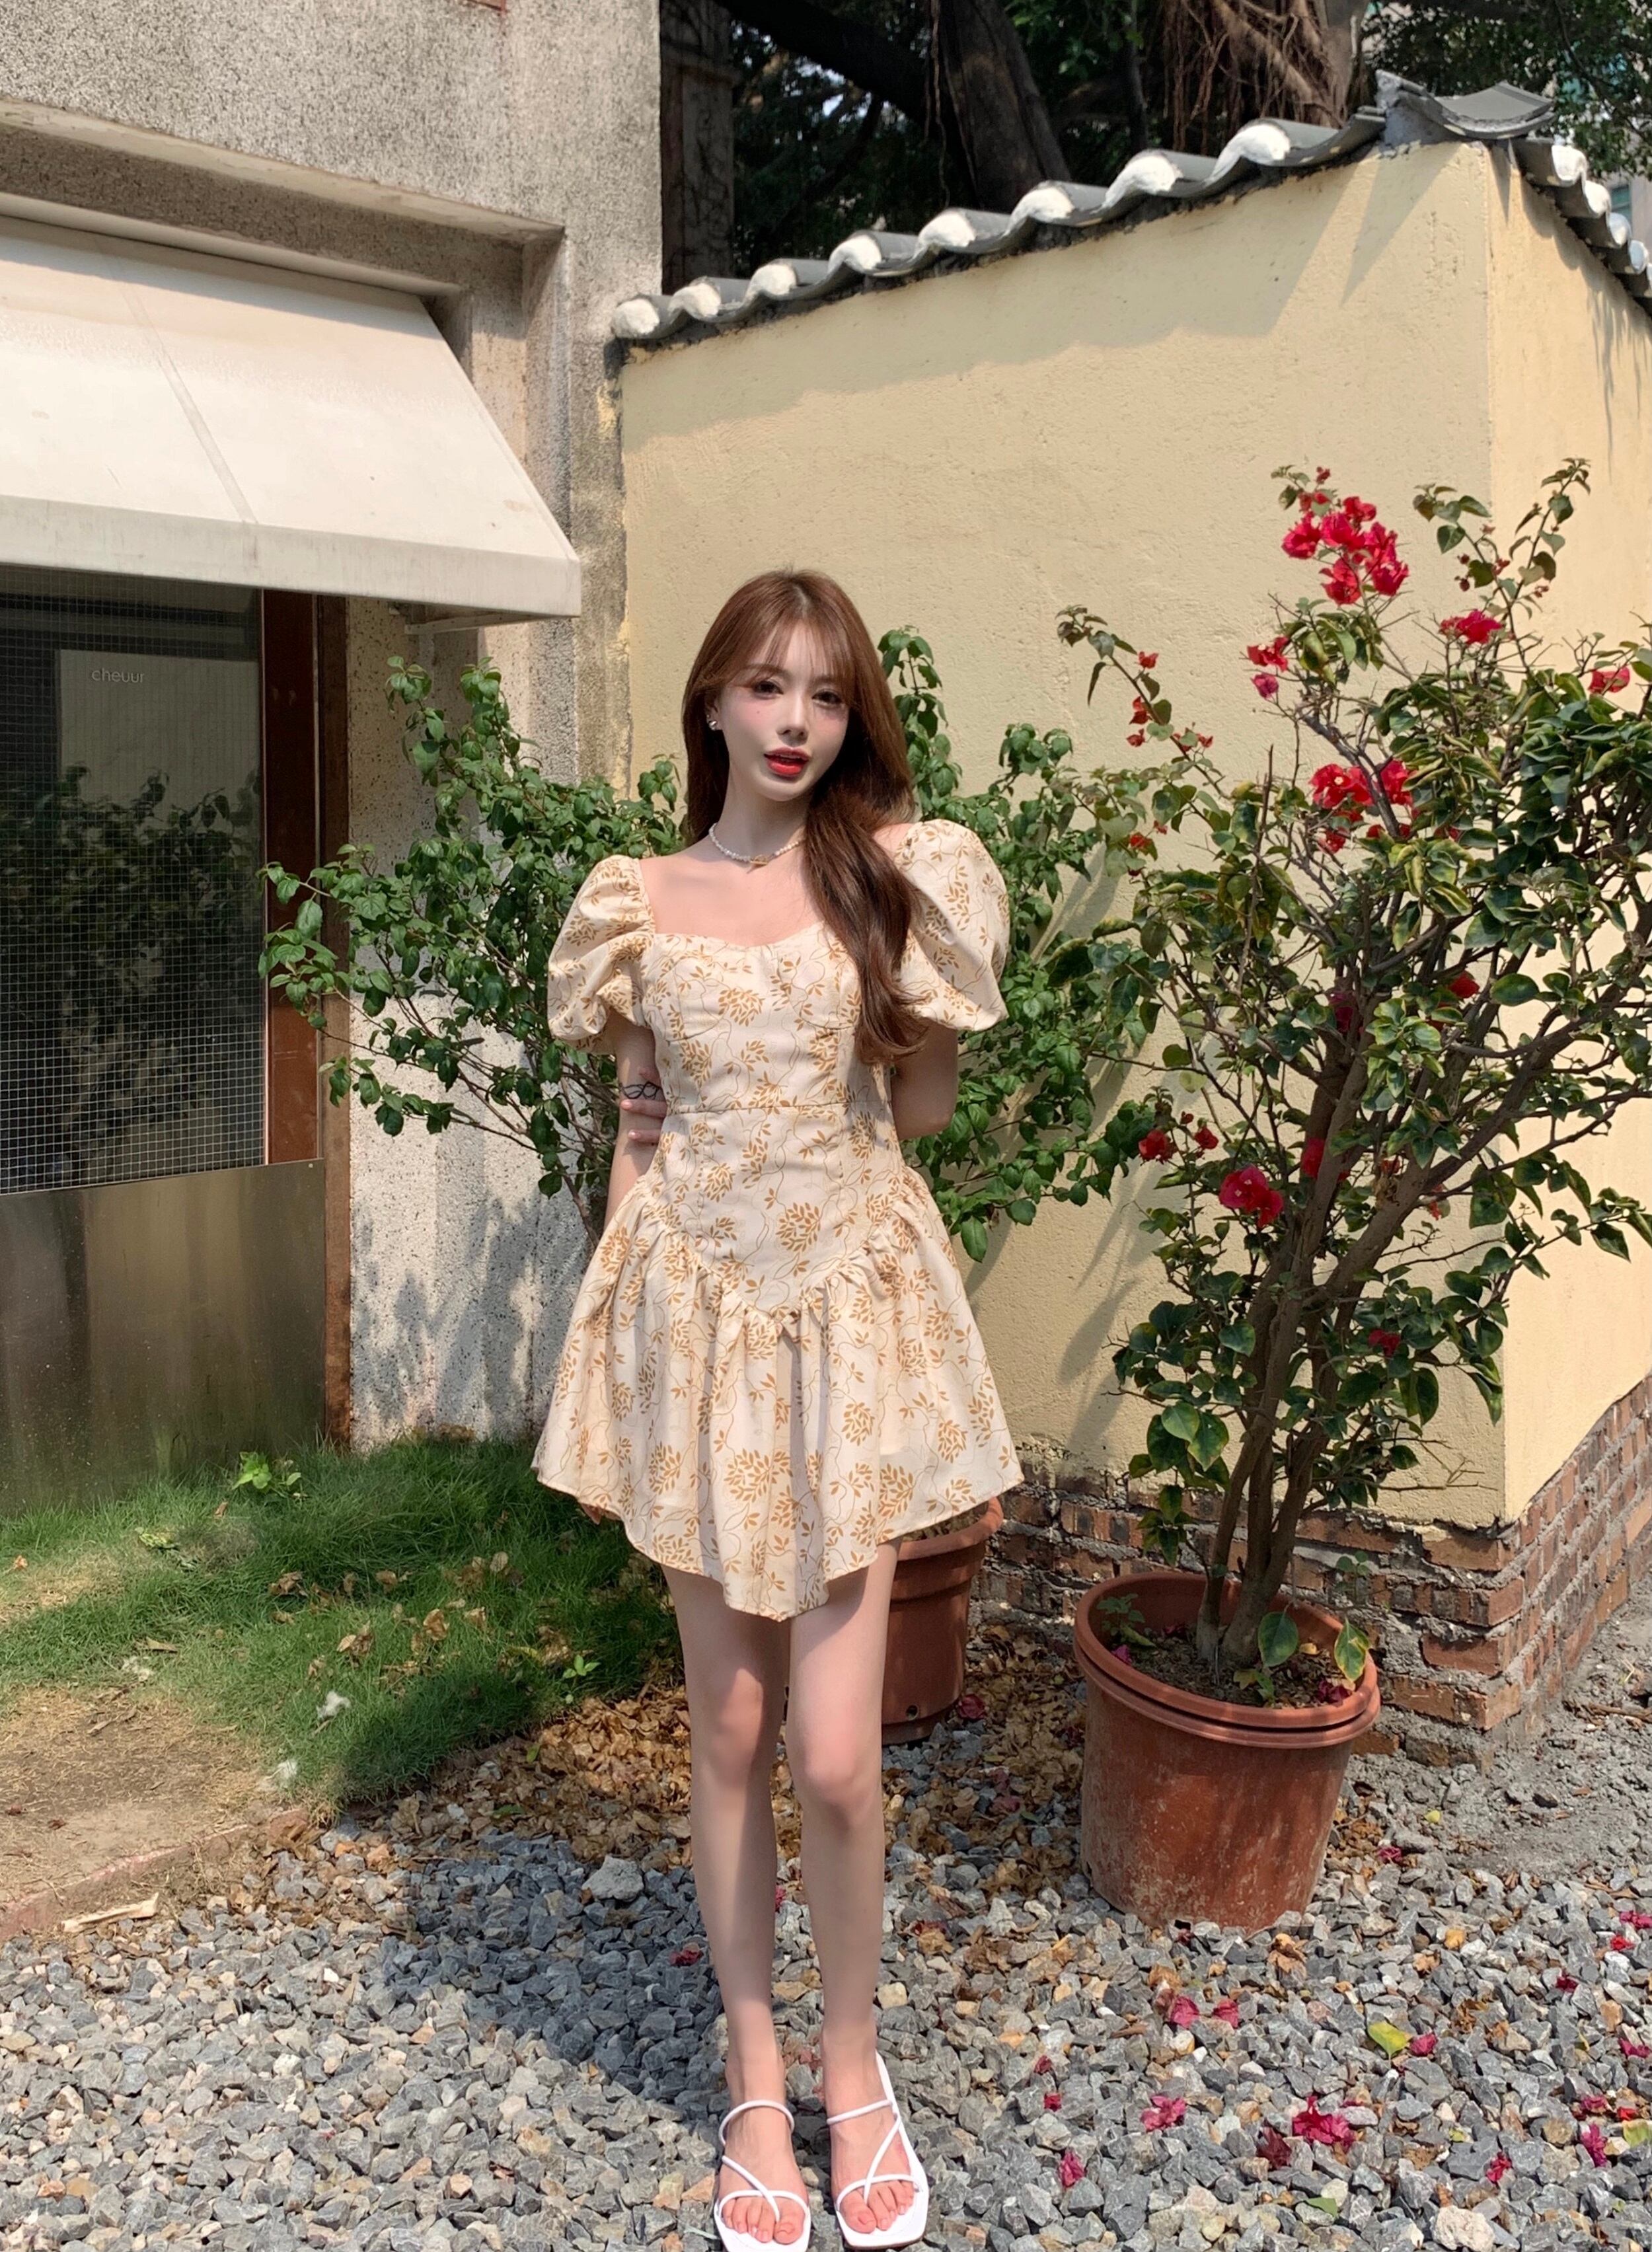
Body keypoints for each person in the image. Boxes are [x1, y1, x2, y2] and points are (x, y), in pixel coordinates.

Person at [535, 570, 1020, 2252]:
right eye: (764, 686)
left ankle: (852, 2061)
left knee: (833, 1754)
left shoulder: (895, 881)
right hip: (693, 1330)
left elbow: (921, 1113)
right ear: (712, 704)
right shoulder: (635, 902)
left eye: (823, 692)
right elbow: (638, 1123)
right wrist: (624, 1338)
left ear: (849, 712)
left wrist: (892, 1019)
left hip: (843, 1325)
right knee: (730, 1733)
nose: (795, 720)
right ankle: (755, 2074)